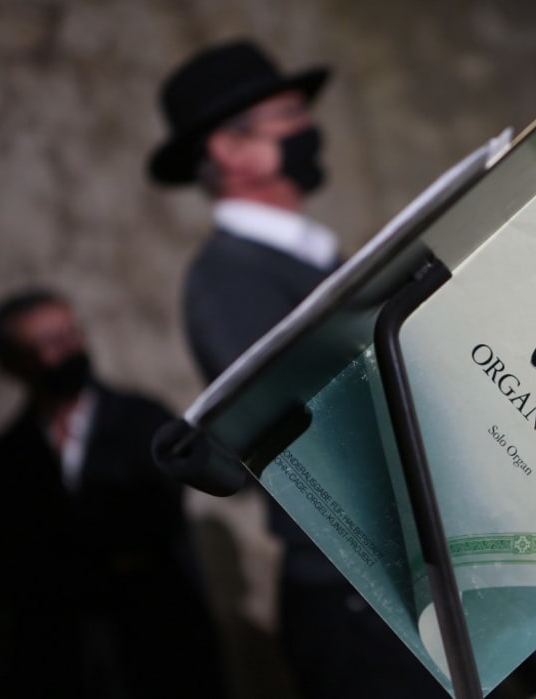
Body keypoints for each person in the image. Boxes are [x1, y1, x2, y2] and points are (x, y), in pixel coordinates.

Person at [148, 39, 447, 698]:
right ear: (229, 149)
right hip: (355, 593)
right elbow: (310, 427)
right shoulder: (228, 276)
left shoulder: (321, 259)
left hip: (405, 580)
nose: (309, 129)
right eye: (288, 114)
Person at [0, 289, 226, 698]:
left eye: (72, 335)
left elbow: (154, 518)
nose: (69, 350)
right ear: (13, 363)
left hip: (158, 643)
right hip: (65, 657)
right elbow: (1, 564)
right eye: (49, 343)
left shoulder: (144, 421)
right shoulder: (2, 460)